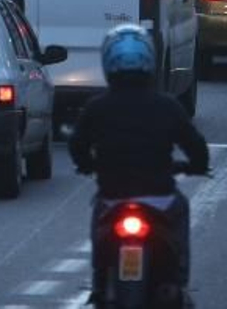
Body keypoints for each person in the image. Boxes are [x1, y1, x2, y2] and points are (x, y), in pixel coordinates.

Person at [69, 25, 209, 295]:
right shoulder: (167, 105)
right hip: (160, 197)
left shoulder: (97, 107)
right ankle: (177, 280)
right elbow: (195, 145)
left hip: (113, 198)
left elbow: (77, 146)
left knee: (99, 220)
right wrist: (198, 166)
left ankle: (100, 281)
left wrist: (87, 165)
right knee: (182, 208)